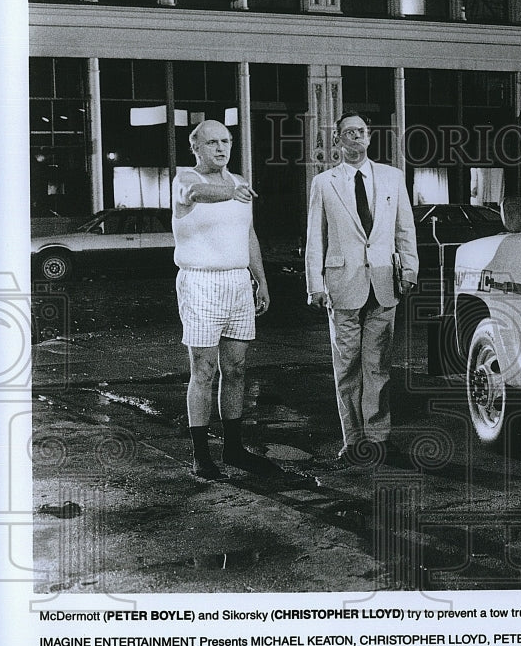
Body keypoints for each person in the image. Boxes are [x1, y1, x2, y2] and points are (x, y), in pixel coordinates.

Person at [305, 112, 419, 465]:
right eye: (348, 132)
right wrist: (314, 284)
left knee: (379, 365)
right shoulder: (324, 183)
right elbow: (315, 238)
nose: (356, 137)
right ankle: (353, 440)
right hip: (342, 286)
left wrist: (411, 270)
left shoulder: (392, 178)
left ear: (369, 137)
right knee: (347, 366)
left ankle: (379, 439)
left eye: (362, 132)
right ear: (337, 140)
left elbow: (405, 229)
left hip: (385, 284)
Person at [172, 119, 281, 480]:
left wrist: (261, 281)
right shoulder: (185, 180)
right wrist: (228, 193)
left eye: (226, 141)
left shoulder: (240, 184)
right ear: (196, 147)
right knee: (203, 371)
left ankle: (234, 449)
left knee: (235, 369)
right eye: (212, 142)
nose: (221, 148)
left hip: (238, 281)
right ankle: (200, 455)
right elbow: (197, 195)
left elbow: (248, 234)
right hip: (201, 281)